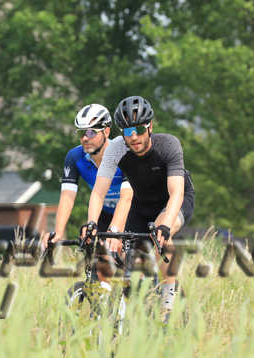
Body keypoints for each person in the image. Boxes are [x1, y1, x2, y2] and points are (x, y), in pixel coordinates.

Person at [85, 96, 195, 317]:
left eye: (139, 129)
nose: (134, 136)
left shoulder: (168, 145)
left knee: (160, 236)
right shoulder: (116, 149)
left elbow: (176, 192)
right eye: (127, 131)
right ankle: (135, 311)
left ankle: (168, 297)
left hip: (174, 201)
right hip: (141, 204)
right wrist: (91, 223)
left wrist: (165, 226)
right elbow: (98, 192)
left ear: (150, 127)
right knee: (132, 260)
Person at [43, 103, 133, 245]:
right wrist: (58, 232)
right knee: (96, 252)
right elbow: (67, 197)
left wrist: (114, 231)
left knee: (122, 250)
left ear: (106, 132)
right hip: (105, 212)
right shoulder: (74, 157)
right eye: (81, 133)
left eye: (91, 132)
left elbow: (126, 197)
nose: (85, 138)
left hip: (131, 209)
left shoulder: (124, 152)